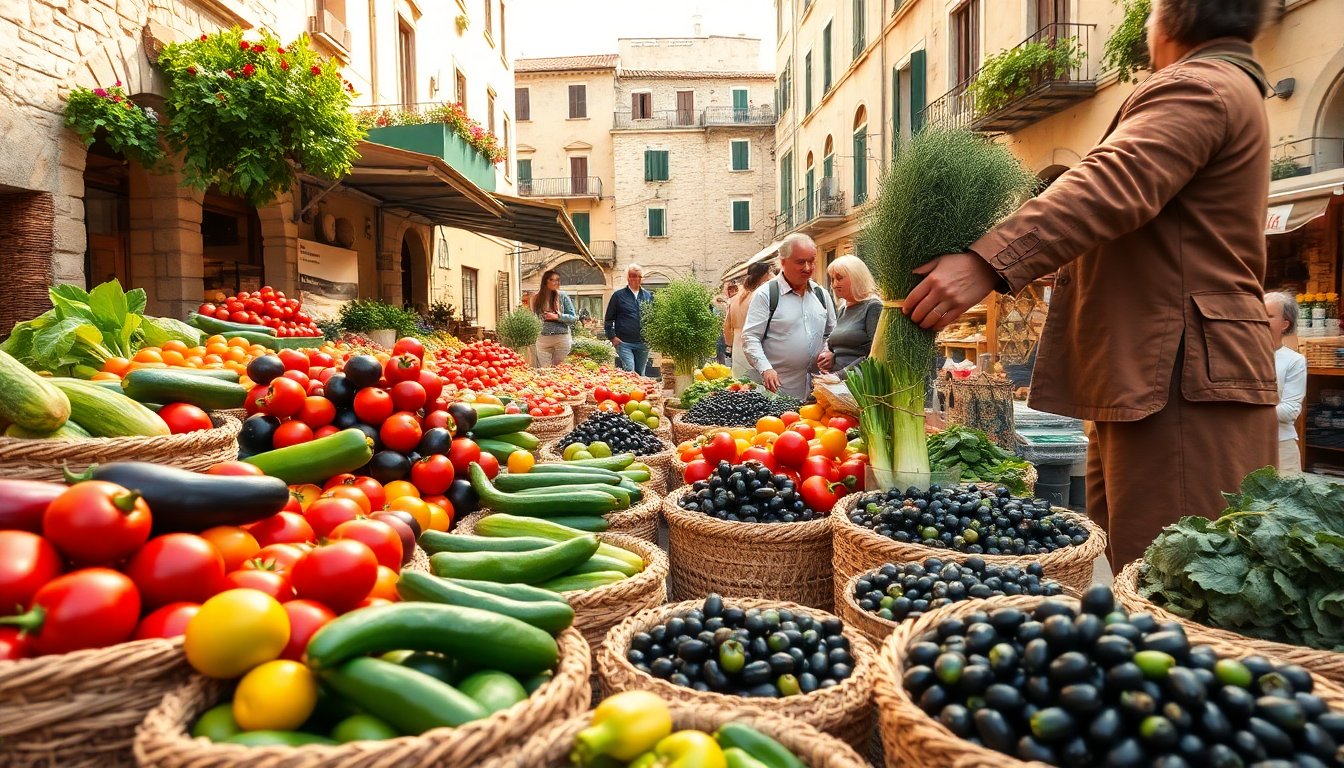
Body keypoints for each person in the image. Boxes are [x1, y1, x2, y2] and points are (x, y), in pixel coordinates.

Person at [901, 0, 1278, 568]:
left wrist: (987, 262)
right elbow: (1156, 235)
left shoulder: (1199, 85)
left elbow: (1113, 182)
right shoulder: (1225, 84)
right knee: (1142, 569)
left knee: (1174, 585)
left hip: (1178, 378)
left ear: (1170, 19)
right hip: (1162, 374)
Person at [741, 234, 836, 400]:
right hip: (777, 392)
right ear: (783, 261)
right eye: (800, 262)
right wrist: (766, 369)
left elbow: (832, 333)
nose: (808, 268)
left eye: (812, 261)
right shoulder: (766, 295)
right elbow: (750, 337)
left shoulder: (822, 294)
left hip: (817, 391)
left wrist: (829, 350)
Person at [1266, 291, 1307, 474]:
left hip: (1281, 445)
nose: (1260, 320)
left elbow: (1290, 411)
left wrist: (1247, 411)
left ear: (1284, 324)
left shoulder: (1294, 361)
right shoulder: (1240, 358)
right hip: (1243, 443)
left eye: (1269, 316)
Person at [821, 255, 883, 375]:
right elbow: (837, 344)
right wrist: (830, 353)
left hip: (858, 386)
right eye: (832, 279)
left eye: (839, 278)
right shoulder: (843, 308)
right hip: (837, 382)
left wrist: (840, 375)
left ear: (857, 278)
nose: (834, 285)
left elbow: (875, 354)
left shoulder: (873, 307)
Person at [725, 262, 775, 378]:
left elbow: (727, 327)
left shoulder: (734, 299)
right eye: (770, 273)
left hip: (738, 347)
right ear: (765, 275)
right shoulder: (760, 297)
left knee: (740, 387)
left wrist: (731, 346)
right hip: (757, 345)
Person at [604, 263, 654, 373]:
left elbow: (653, 318)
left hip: (643, 343)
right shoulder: (618, 296)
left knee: (640, 373)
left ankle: (639, 390)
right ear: (628, 278)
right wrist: (612, 337)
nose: (636, 279)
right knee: (630, 370)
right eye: (633, 276)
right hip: (624, 342)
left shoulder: (648, 296)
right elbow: (608, 319)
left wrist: (652, 337)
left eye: (639, 276)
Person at [533, 269, 577, 367]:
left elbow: (573, 318)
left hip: (561, 338)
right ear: (545, 281)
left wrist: (558, 316)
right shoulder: (537, 298)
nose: (555, 282)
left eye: (557, 280)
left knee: (561, 370)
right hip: (543, 339)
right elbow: (534, 318)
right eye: (551, 280)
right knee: (545, 371)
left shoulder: (562, 296)